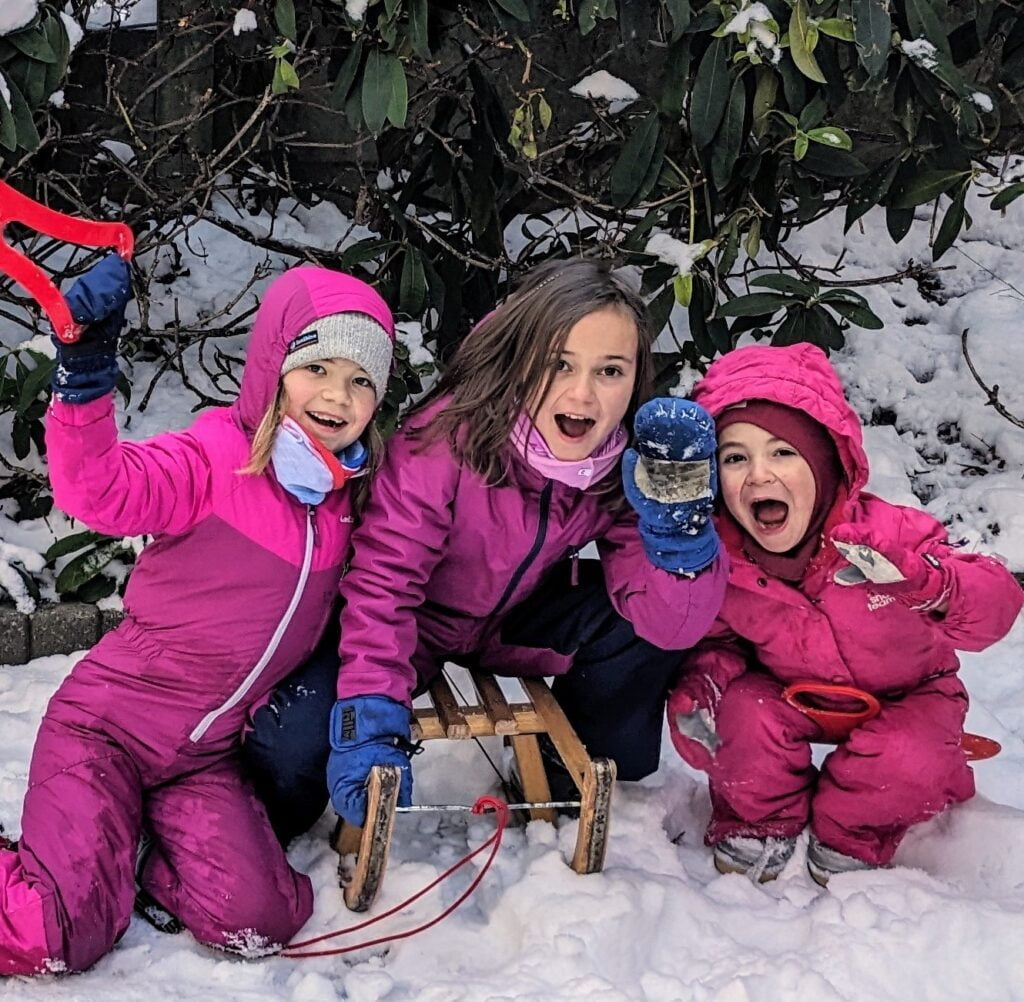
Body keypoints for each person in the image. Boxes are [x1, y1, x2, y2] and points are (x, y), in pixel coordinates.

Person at [0, 259, 395, 975]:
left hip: (201, 759)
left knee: (260, 921)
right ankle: (79, 865)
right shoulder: (215, 460)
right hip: (107, 730)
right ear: (274, 365)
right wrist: (84, 380)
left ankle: (124, 848)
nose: (338, 396)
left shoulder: (348, 503)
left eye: (362, 379)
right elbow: (100, 490)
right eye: (317, 368)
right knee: (58, 932)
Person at [243, 257, 728, 836]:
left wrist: (679, 541)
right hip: (417, 624)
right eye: (559, 364)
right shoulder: (445, 442)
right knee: (292, 735)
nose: (582, 393)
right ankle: (270, 828)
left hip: (515, 619)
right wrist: (370, 719)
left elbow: (669, 625)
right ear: (520, 359)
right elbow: (383, 587)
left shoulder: (618, 467)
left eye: (610, 371)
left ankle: (569, 763)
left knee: (636, 625)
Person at [665, 342, 1023, 885]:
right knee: (743, 715)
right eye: (735, 457)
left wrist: (931, 584)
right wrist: (706, 685)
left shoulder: (891, 536)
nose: (758, 475)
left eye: (783, 452)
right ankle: (758, 822)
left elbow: (994, 605)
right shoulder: (728, 559)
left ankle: (850, 833)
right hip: (791, 693)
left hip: (910, 694)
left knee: (910, 756)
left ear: (829, 460)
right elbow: (721, 642)